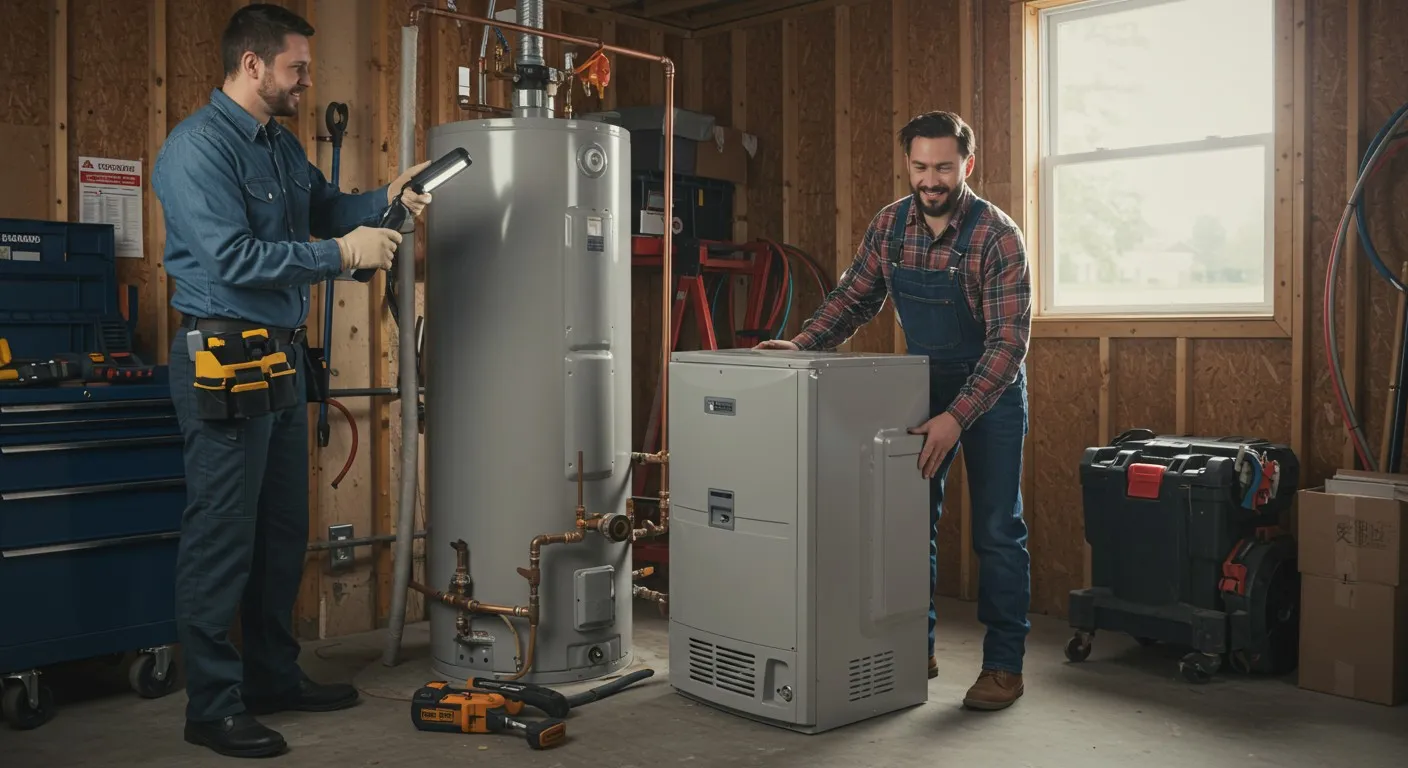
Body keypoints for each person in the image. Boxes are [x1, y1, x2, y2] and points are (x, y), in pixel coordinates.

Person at [152, 4, 432, 757]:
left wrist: (387, 197)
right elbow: (236, 258)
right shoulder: (196, 151)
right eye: (296, 69)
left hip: (278, 355)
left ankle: (272, 675)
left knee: (280, 534)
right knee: (220, 538)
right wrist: (342, 256)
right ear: (252, 66)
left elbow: (328, 208)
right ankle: (212, 706)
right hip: (220, 355)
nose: (307, 82)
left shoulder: (277, 146)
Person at [756, 111, 1032, 711]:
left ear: (968, 165)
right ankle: (916, 647)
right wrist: (803, 345)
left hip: (991, 392)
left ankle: (1004, 665)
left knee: (997, 531)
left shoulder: (997, 236)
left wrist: (957, 415)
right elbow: (854, 297)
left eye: (944, 167)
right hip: (923, 385)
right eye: (921, 167)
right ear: (909, 164)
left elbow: (1008, 345)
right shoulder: (891, 226)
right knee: (910, 525)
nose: (931, 180)